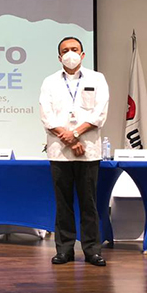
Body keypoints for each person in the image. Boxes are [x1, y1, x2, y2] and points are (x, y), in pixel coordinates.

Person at [39, 36, 110, 267]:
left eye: (74, 49)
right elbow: (47, 116)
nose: (70, 54)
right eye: (65, 50)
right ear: (59, 57)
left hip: (88, 152)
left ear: (82, 54)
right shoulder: (49, 81)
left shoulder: (97, 79)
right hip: (59, 151)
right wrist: (69, 139)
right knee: (63, 204)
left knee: (89, 203)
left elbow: (99, 113)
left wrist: (76, 134)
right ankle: (64, 250)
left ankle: (92, 251)